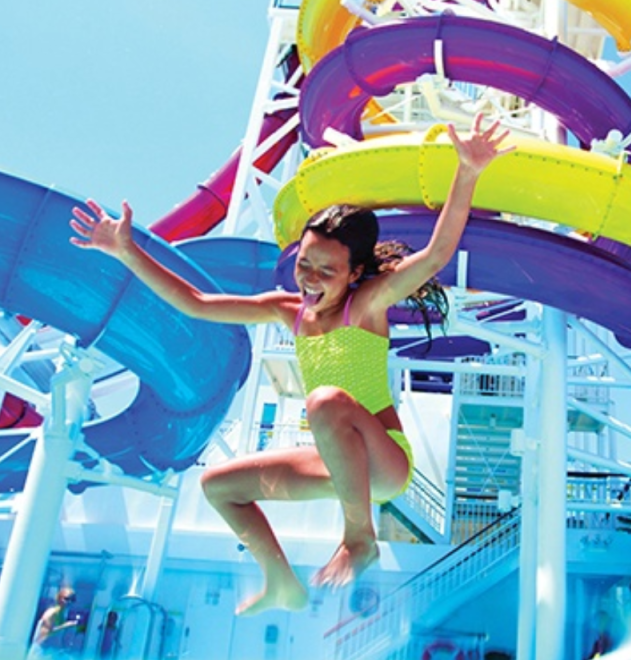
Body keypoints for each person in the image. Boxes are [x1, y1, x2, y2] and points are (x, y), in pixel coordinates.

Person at [70, 113, 513, 616]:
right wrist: (127, 251)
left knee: (325, 401)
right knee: (220, 487)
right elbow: (194, 302)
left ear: (356, 274)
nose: (310, 278)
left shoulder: (365, 305)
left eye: (328, 271)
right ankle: (281, 583)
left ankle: (359, 538)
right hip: (335, 463)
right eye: (305, 263)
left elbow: (434, 257)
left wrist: (469, 171)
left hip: (385, 462)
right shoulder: (286, 310)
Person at [27, 587, 78, 659]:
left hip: (50, 651)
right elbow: (47, 632)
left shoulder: (62, 614)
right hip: (41, 651)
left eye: (72, 600)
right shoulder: (52, 613)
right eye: (66, 599)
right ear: (59, 598)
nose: (69, 602)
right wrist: (66, 625)